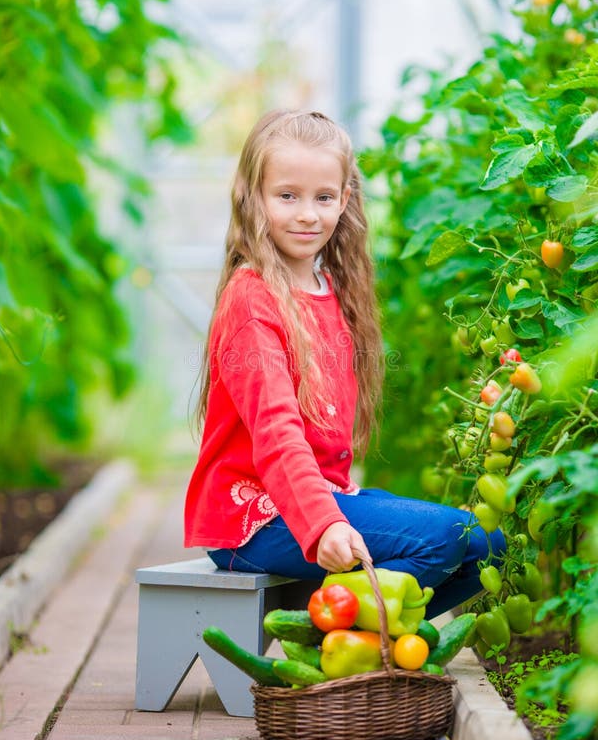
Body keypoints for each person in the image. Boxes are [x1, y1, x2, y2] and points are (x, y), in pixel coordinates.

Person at [184, 109, 505, 618]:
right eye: (287, 196)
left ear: (345, 200)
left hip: (318, 500)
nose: (308, 214)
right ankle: (326, 640)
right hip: (255, 521)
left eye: (323, 197)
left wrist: (329, 511)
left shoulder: (330, 291)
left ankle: (360, 639)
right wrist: (324, 524)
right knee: (448, 537)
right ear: (252, 197)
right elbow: (276, 433)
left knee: (490, 546)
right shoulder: (252, 298)